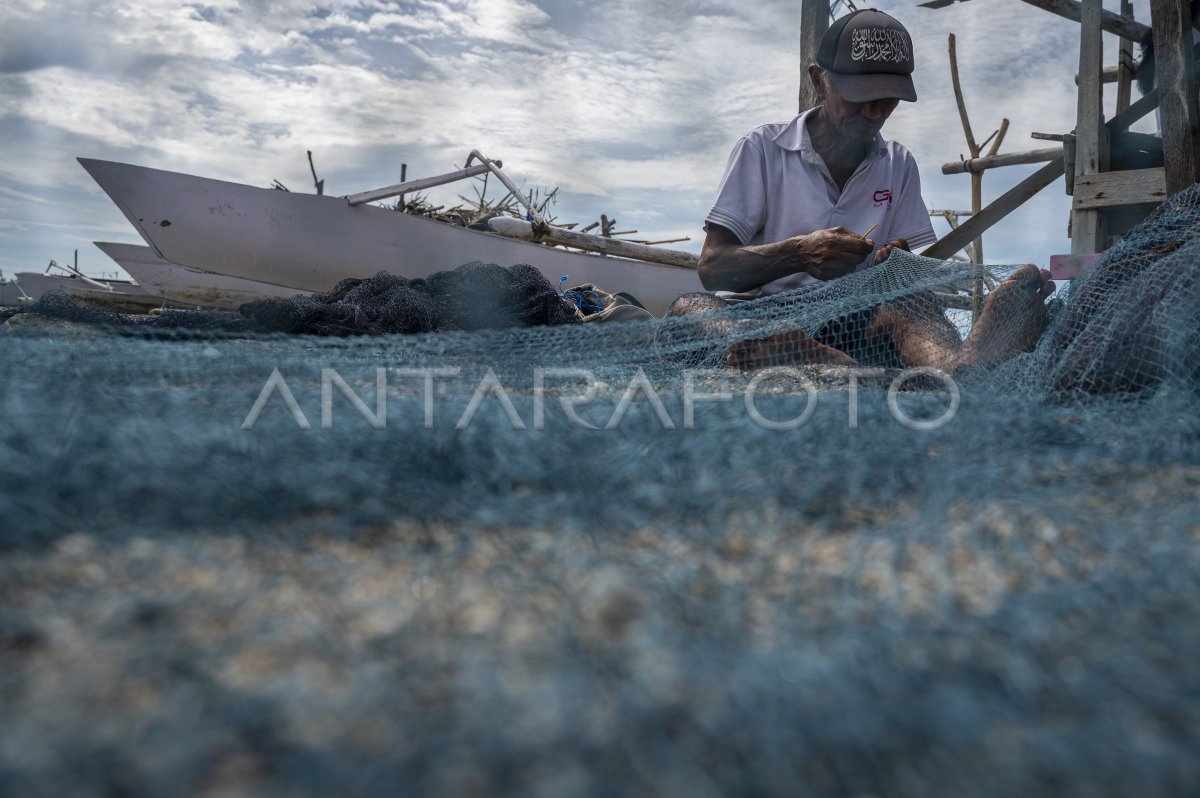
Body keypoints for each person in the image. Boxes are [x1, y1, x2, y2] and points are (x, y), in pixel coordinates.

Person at [671, 8, 1056, 373]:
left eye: (887, 100)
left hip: (850, 320)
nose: (874, 113)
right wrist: (800, 253)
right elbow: (713, 268)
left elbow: (905, 279)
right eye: (860, 98)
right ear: (819, 81)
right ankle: (790, 351)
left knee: (911, 300)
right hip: (759, 317)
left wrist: (897, 263)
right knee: (690, 308)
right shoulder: (762, 149)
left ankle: (956, 367)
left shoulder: (898, 163)